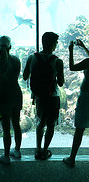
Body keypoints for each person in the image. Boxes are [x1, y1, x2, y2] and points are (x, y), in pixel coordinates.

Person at [23, 32, 64, 160]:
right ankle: (45, 151)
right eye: (56, 43)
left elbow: (25, 77)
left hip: (39, 96)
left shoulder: (32, 58)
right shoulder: (57, 61)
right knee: (50, 124)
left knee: (40, 122)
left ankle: (38, 149)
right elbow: (61, 83)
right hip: (52, 97)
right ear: (53, 44)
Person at [0, 36, 22, 165]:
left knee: (6, 129)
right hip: (16, 94)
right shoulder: (16, 60)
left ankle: (6, 156)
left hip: (4, 97)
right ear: (10, 46)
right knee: (16, 125)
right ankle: (17, 150)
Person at [63, 39, 89, 167]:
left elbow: (72, 67)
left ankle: (72, 158)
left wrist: (71, 51)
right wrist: (84, 47)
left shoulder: (88, 62)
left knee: (79, 129)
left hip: (86, 99)